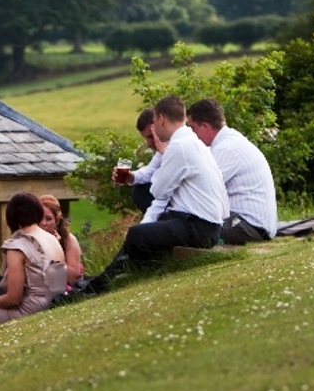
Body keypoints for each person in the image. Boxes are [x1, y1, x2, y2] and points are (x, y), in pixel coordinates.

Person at [83, 95, 229, 294]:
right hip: (199, 221)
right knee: (140, 232)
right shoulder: (188, 141)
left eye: (154, 124)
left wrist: (164, 155)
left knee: (137, 235)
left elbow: (158, 190)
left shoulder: (179, 147)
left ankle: (116, 278)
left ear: (160, 119)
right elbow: (159, 192)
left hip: (201, 227)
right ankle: (100, 281)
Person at [187, 98, 277, 244]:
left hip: (247, 227)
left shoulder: (226, 150)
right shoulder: (230, 141)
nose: (192, 134)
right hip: (251, 225)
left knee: (191, 229)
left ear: (205, 126)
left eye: (192, 128)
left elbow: (200, 190)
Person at [0, 193, 67, 325]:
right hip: (55, 304)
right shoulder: (53, 239)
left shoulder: (17, 247)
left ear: (12, 218)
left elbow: (13, 299)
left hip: (29, 312)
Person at [112, 108, 164, 213]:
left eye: (151, 136)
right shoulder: (161, 152)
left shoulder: (178, 146)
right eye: (146, 138)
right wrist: (130, 177)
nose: (149, 143)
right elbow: (151, 170)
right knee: (140, 190)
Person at [38, 195, 84, 286]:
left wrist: (54, 249)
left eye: (48, 219)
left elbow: (73, 278)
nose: (43, 223)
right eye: (39, 218)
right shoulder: (28, 238)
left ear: (57, 221)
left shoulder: (68, 239)